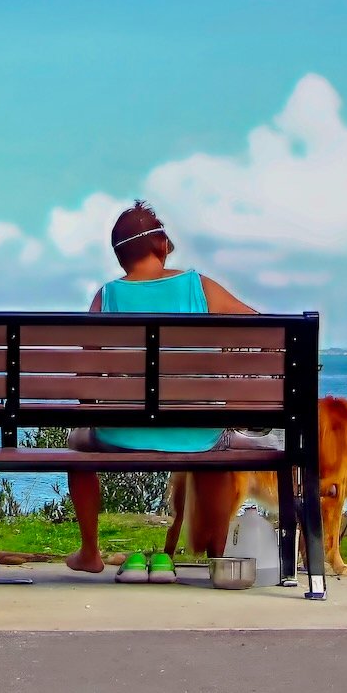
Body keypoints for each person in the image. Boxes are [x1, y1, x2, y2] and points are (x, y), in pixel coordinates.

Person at [65, 201, 267, 576]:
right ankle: (219, 558)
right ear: (162, 245)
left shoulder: (107, 297)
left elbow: (85, 379)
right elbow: (263, 331)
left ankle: (90, 552)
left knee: (77, 443)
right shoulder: (199, 287)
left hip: (120, 436)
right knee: (219, 449)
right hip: (198, 435)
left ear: (121, 256)